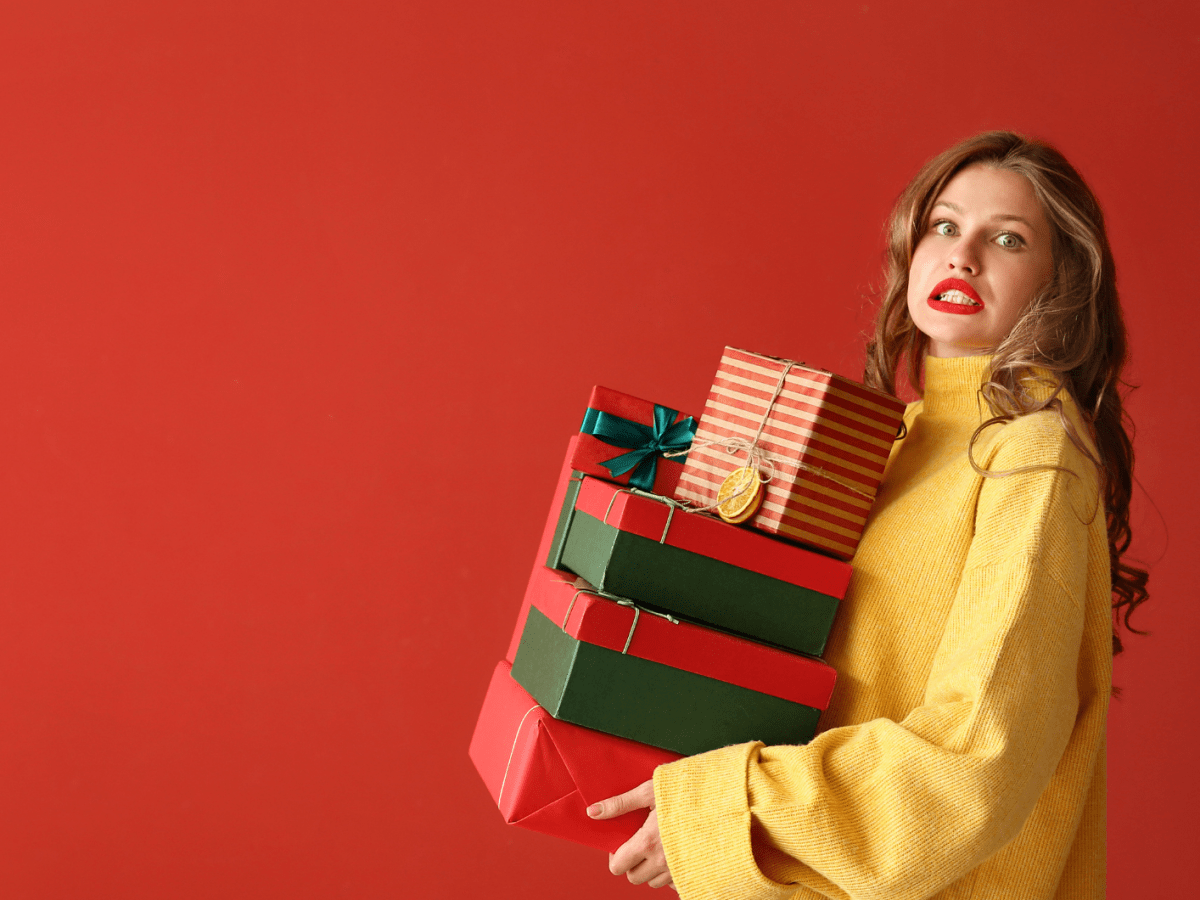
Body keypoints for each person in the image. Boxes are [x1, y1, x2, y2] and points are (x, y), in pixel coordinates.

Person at [585, 131, 1149, 898]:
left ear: (1062, 283)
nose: (962, 256)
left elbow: (976, 757)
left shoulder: (1030, 453)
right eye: (944, 226)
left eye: (1007, 239)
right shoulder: (897, 441)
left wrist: (730, 809)